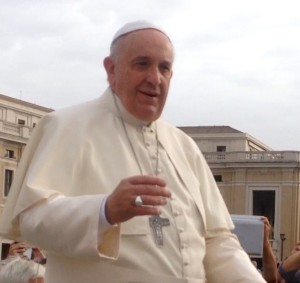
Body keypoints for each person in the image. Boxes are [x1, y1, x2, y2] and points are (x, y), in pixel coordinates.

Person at [0, 20, 266, 283]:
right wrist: (104, 211)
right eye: (142, 64)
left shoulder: (184, 146)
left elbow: (216, 241)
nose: (155, 78)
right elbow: (31, 218)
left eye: (164, 68)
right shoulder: (66, 126)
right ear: (111, 69)